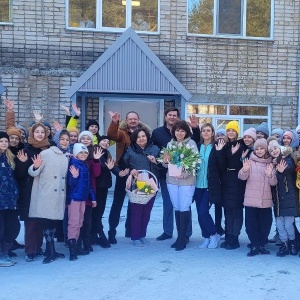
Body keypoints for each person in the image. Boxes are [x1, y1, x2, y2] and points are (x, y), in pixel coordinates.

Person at [107, 110, 150, 244]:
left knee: (136, 203)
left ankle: (132, 231)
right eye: (130, 119)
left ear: (138, 119)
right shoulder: (122, 132)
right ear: (126, 120)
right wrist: (114, 122)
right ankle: (112, 231)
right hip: (124, 171)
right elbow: (112, 135)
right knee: (117, 203)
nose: (132, 121)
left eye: (134, 119)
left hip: (140, 174)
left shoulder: (145, 133)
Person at [28, 129, 70, 264]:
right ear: (57, 139)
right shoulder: (46, 153)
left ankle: (51, 250)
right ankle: (50, 251)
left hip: (59, 194)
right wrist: (35, 167)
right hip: (47, 193)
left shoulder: (68, 155)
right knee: (47, 222)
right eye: (62, 139)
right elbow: (33, 172)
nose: (64, 142)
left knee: (53, 223)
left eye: (67, 140)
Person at [15, 122, 50, 262]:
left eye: (42, 132)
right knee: (30, 222)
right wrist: (24, 163)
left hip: (45, 190)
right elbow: (19, 174)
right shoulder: (25, 150)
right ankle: (30, 250)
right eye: (37, 132)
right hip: (29, 191)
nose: (40, 134)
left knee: (41, 221)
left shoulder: (48, 150)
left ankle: (39, 247)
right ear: (32, 134)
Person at [162, 120, 198, 251]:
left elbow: (195, 162)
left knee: (184, 207)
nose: (180, 133)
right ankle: (179, 236)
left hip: (186, 182)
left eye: (182, 130)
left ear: (186, 132)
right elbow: (165, 163)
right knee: (176, 207)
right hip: (172, 180)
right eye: (177, 130)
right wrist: (165, 161)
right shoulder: (170, 144)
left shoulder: (191, 144)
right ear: (174, 132)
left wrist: (185, 174)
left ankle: (183, 237)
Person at [238, 138, 277, 256]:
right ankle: (254, 245)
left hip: (265, 200)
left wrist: (270, 175)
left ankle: (261, 244)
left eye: (262, 148)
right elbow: (241, 177)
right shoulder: (249, 161)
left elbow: (274, 183)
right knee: (251, 224)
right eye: (257, 149)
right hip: (251, 199)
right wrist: (244, 170)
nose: (259, 151)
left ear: (266, 150)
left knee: (266, 223)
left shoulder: (271, 163)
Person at [123, 128, 160, 246]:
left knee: (146, 211)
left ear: (147, 137)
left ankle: (142, 234)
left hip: (151, 183)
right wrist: (130, 168)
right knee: (136, 211)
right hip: (138, 183)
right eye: (138, 137)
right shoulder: (130, 149)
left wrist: (155, 161)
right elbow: (123, 162)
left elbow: (162, 165)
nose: (141, 139)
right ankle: (135, 236)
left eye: (143, 136)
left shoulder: (155, 149)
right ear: (135, 139)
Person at [91, 135, 129, 248]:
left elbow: (112, 166)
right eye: (104, 141)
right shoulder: (95, 151)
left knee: (100, 211)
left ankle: (94, 235)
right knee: (96, 212)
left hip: (103, 186)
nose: (106, 143)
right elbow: (99, 166)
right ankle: (100, 235)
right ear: (98, 141)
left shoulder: (106, 153)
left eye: (108, 142)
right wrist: (108, 167)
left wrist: (119, 173)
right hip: (96, 186)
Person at [151, 108, 181, 241]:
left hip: (182, 174)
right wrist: (156, 158)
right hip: (165, 173)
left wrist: (196, 129)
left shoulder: (183, 131)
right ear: (165, 117)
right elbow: (152, 148)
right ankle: (168, 231)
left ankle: (185, 233)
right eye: (170, 115)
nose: (172, 117)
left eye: (175, 115)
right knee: (168, 203)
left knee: (183, 204)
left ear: (178, 117)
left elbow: (194, 144)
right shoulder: (157, 132)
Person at [216, 120, 246, 250]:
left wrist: (234, 155)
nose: (231, 132)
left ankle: (235, 237)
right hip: (226, 181)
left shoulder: (242, 145)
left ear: (237, 131)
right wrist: (219, 151)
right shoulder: (225, 145)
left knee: (236, 211)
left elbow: (239, 165)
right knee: (227, 210)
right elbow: (222, 165)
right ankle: (228, 235)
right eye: (228, 130)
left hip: (238, 181)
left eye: (233, 130)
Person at [269, 140, 299, 256]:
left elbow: (291, 168)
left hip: (289, 198)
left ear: (280, 148)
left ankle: (292, 243)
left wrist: (283, 171)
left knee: (288, 225)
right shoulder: (272, 164)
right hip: (278, 200)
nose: (274, 151)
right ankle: (285, 244)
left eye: (275, 148)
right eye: (271, 150)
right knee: (280, 225)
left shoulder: (287, 159)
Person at [67, 143, 97, 261]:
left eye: (85, 152)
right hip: (74, 198)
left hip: (83, 198)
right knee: (73, 223)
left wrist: (93, 198)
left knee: (80, 222)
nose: (83, 154)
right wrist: (74, 177)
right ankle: (72, 250)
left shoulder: (84, 165)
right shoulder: (73, 164)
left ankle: (77, 247)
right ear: (75, 153)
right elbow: (70, 184)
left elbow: (88, 184)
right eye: (81, 152)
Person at [194, 123, 222, 249]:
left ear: (212, 133)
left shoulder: (217, 147)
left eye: (208, 130)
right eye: (203, 131)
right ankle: (206, 236)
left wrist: (221, 152)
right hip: (197, 184)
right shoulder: (197, 146)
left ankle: (214, 234)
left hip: (210, 185)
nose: (206, 133)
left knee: (203, 211)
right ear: (201, 133)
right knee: (199, 213)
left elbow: (221, 166)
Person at [0, 132, 19, 267]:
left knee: (12, 227)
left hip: (10, 199)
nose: (4, 143)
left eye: (5, 141)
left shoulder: (9, 157)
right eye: (1, 141)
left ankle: (5, 251)